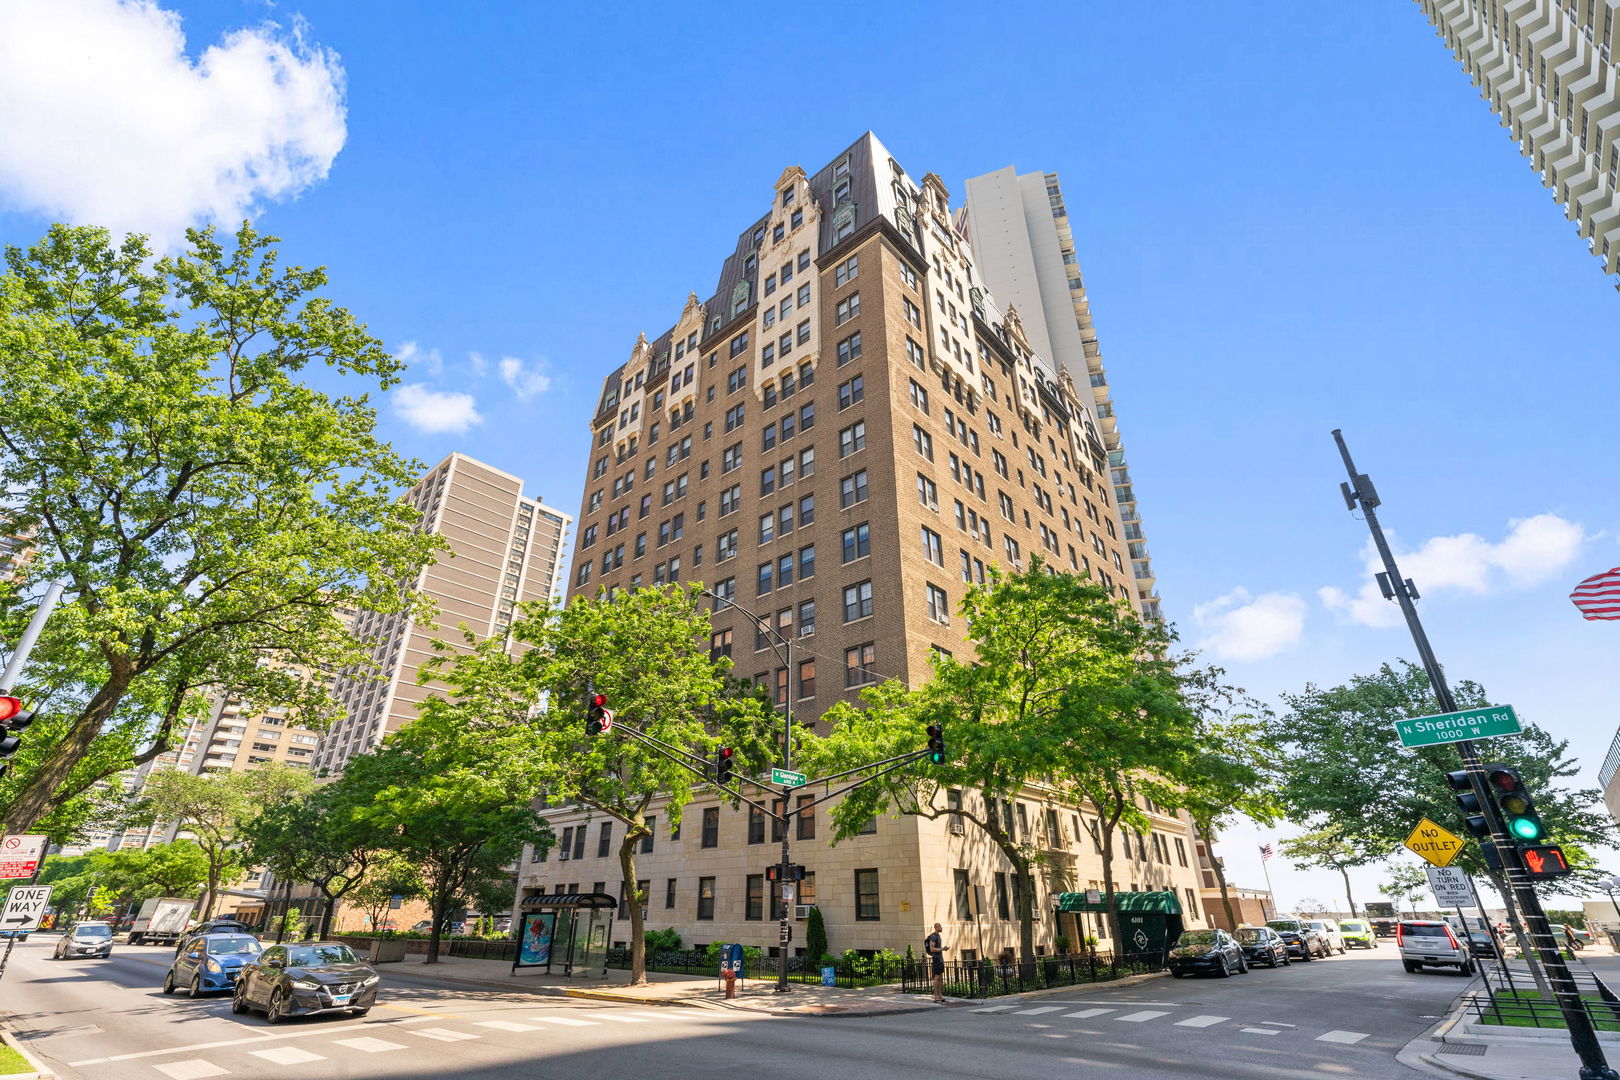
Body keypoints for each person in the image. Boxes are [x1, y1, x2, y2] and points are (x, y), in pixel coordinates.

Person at [924, 922, 948, 1003]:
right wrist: (942, 949)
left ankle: (940, 996)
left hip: (940, 958)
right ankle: (935, 997)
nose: (941, 927)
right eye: (940, 926)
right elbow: (932, 949)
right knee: (937, 977)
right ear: (936, 927)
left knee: (940, 978)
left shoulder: (938, 936)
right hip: (936, 959)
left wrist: (943, 949)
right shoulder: (933, 936)